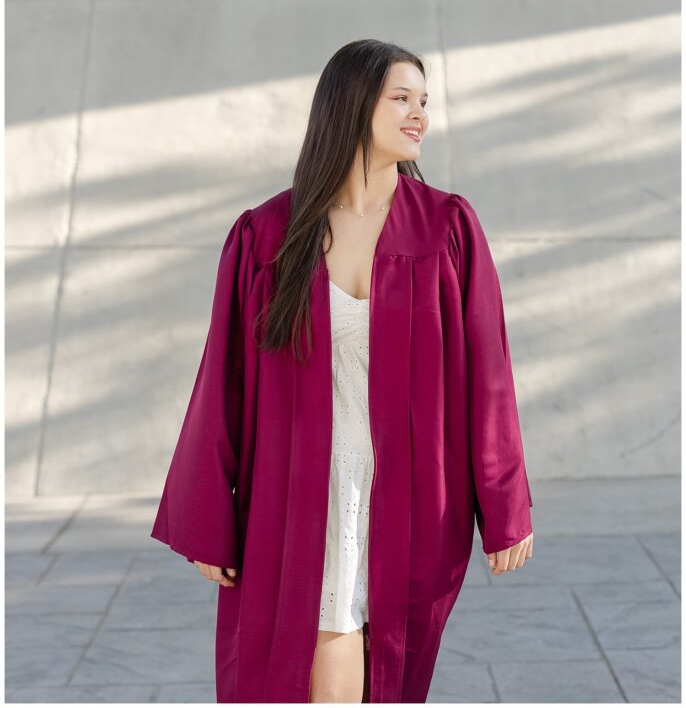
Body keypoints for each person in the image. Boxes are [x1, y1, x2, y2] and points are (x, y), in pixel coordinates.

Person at [150, 39, 534, 704]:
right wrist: (210, 518)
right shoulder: (268, 235)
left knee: (377, 646)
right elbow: (223, 381)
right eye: (401, 98)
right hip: (297, 488)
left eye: (425, 101)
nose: (420, 115)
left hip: (409, 490)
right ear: (354, 106)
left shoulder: (447, 229)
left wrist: (504, 505)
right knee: (325, 637)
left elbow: (488, 375)